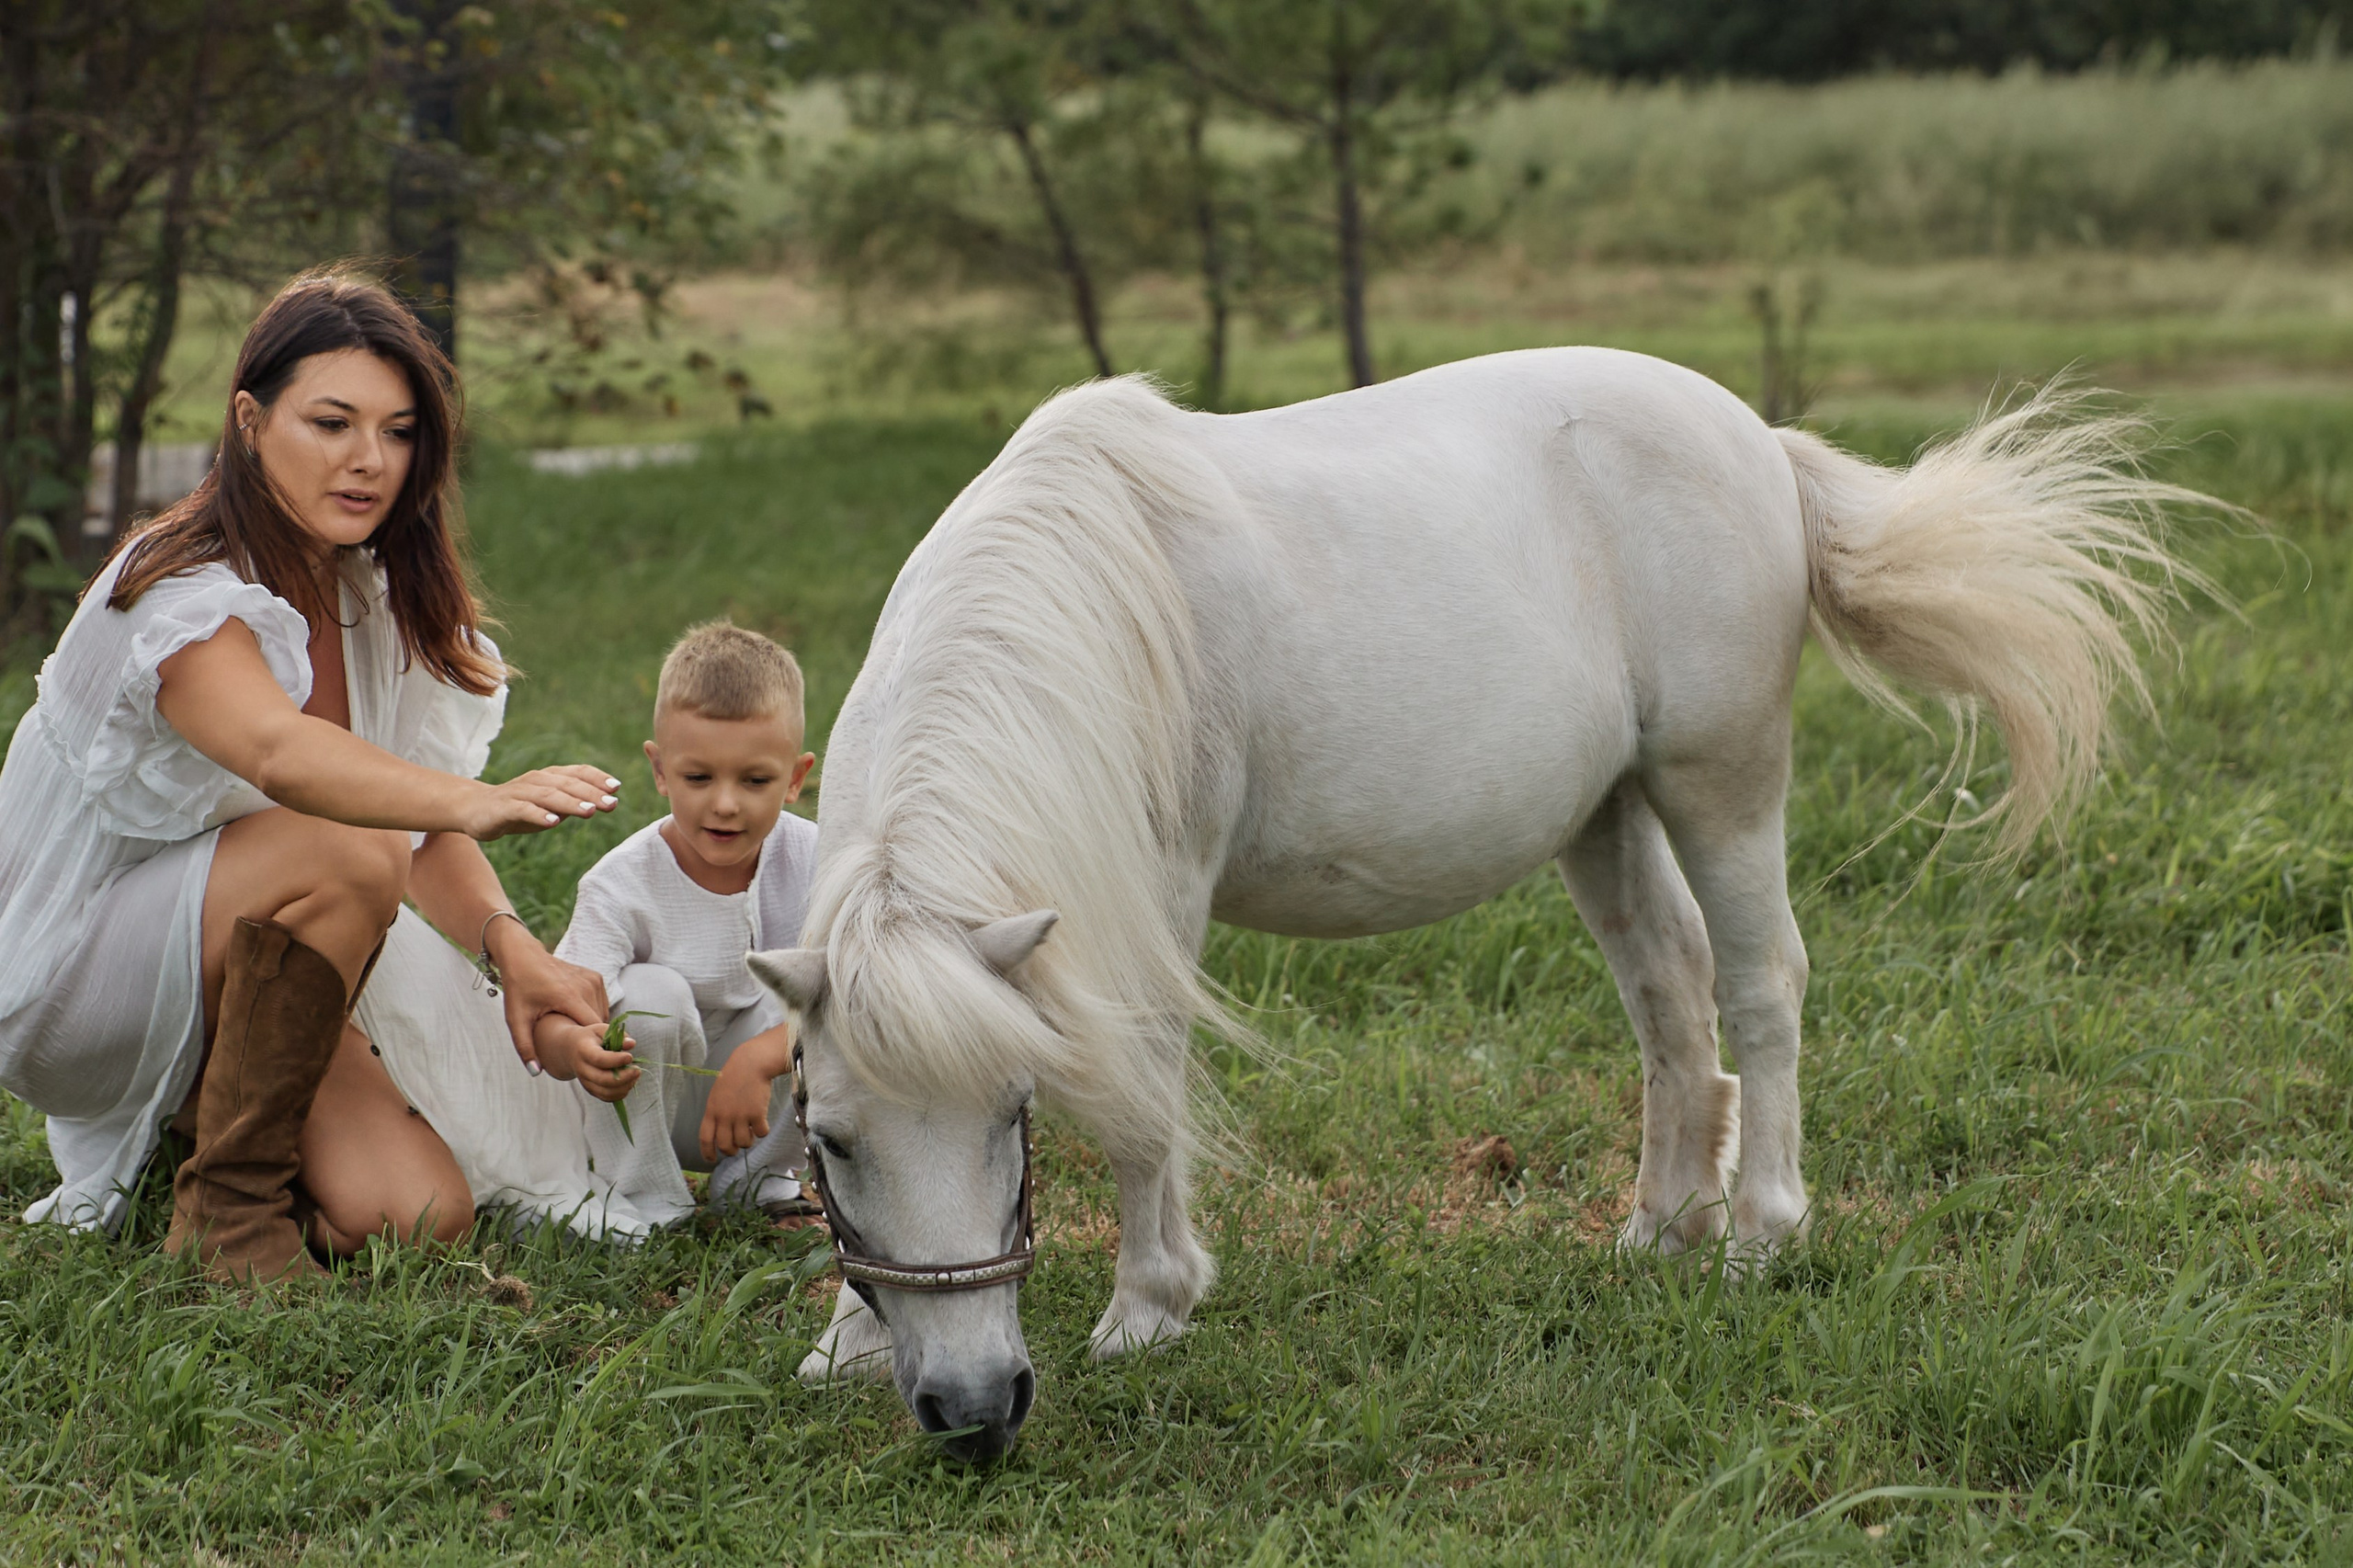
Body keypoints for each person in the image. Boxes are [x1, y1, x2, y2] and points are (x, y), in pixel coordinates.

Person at [0, 268, 626, 1283]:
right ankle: (229, 1216)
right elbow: (284, 758)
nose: (368, 460)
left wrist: (514, 950)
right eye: (331, 422)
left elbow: (414, 823)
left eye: (398, 429)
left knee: (414, 1214)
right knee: (346, 841)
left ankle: (218, 1106)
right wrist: (479, 798)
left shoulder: (372, 594)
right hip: (73, 977)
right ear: (250, 421)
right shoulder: (177, 591)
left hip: (248, 945)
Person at [537, 621, 820, 1223]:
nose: (724, 803)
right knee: (648, 992)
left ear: (795, 778)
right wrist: (576, 1046)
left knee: (820, 992)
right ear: (661, 770)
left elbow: (863, 995)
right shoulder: (623, 883)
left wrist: (760, 1060)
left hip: (757, 1105)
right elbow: (558, 1005)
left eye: (755, 780)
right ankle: (645, 1195)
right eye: (698, 778)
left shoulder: (819, 864)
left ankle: (762, 1186)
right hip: (648, 1098)